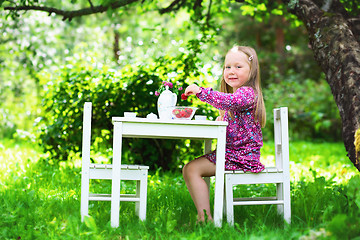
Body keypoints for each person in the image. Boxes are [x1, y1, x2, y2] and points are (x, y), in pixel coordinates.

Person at [182, 45, 266, 223]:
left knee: (192, 169)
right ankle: (204, 217)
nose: (231, 71)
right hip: (235, 154)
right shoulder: (240, 95)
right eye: (227, 67)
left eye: (238, 66)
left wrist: (200, 91)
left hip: (240, 156)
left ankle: (204, 218)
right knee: (191, 168)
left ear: (252, 70)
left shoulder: (247, 94)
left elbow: (229, 100)